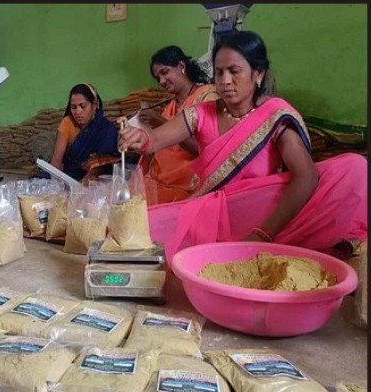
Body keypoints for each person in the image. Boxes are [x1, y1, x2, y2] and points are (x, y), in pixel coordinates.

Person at [119, 31, 367, 261]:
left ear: (258, 74)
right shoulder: (201, 113)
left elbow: (306, 176)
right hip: (213, 212)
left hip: (267, 215)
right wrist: (138, 137)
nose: (225, 81)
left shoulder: (274, 115)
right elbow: (155, 140)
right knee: (139, 230)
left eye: (234, 71)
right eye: (219, 73)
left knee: (353, 167)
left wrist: (262, 234)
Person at [137, 46, 220, 204]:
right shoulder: (171, 106)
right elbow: (159, 148)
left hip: (186, 187)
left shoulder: (207, 97)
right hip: (158, 180)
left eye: (165, 72)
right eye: (158, 78)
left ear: (181, 66)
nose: (162, 81)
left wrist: (161, 122)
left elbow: (205, 150)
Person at [47, 83, 121, 182]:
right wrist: (54, 183)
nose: (78, 112)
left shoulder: (106, 129)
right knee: (37, 180)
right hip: (68, 174)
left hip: (93, 179)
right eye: (73, 107)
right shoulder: (68, 123)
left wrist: (86, 180)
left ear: (94, 105)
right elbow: (57, 159)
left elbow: (105, 164)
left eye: (83, 106)